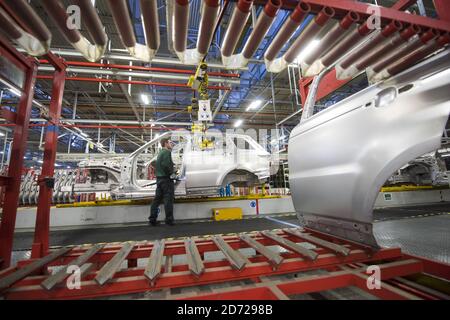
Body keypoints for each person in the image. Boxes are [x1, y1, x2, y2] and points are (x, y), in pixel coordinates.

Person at [149, 137, 176, 226]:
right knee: (168, 200)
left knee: (156, 200)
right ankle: (169, 220)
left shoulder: (160, 153)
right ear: (165, 143)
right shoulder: (167, 152)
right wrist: (172, 173)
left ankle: (152, 219)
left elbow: (159, 164)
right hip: (166, 180)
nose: (171, 144)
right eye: (169, 142)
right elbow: (166, 165)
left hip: (159, 179)